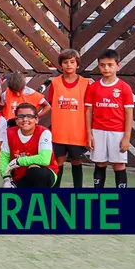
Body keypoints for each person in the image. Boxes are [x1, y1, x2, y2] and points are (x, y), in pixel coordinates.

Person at [86, 49, 134, 189]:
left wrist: (127, 136)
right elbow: (88, 111)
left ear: (117, 65)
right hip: (98, 131)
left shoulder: (124, 88)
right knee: (100, 163)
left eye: (110, 65)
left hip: (117, 132)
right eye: (102, 65)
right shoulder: (93, 87)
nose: (106, 68)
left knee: (118, 164)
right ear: (99, 66)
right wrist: (89, 133)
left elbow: (129, 113)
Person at [46, 48, 90, 188]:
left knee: (76, 160)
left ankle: (78, 190)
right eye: (65, 62)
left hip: (77, 132)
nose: (69, 65)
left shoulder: (85, 83)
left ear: (77, 64)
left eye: (72, 62)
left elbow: (89, 108)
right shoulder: (55, 83)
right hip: (59, 132)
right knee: (59, 161)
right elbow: (51, 103)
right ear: (61, 65)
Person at [0, 103, 59, 188]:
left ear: (36, 120)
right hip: (19, 175)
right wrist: (6, 178)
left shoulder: (44, 133)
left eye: (29, 116)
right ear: (16, 120)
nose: (25, 119)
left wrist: (19, 161)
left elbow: (44, 159)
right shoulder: (9, 133)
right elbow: (4, 158)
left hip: (45, 172)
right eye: (21, 116)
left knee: (34, 171)